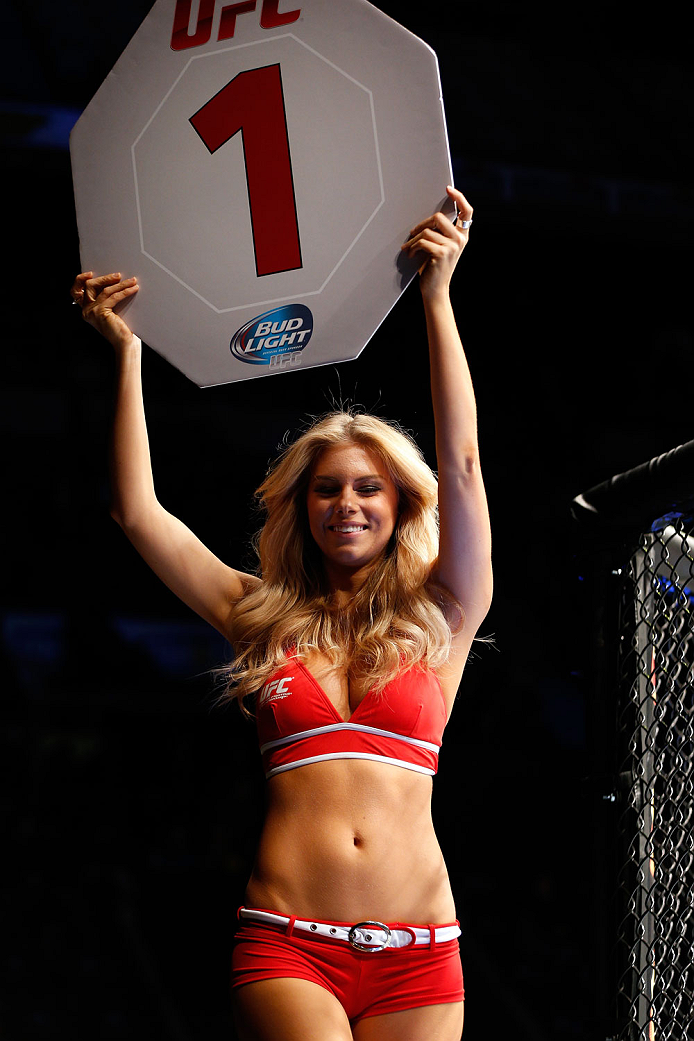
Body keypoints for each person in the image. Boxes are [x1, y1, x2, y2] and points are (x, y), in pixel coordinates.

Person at [71, 184, 492, 1041]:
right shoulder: (256, 612)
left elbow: (464, 463)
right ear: (300, 508)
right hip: (288, 945)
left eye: (369, 488)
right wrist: (127, 353)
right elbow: (137, 511)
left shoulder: (447, 612)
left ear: (401, 505)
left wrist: (438, 297)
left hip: (422, 952)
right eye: (327, 488)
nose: (347, 504)